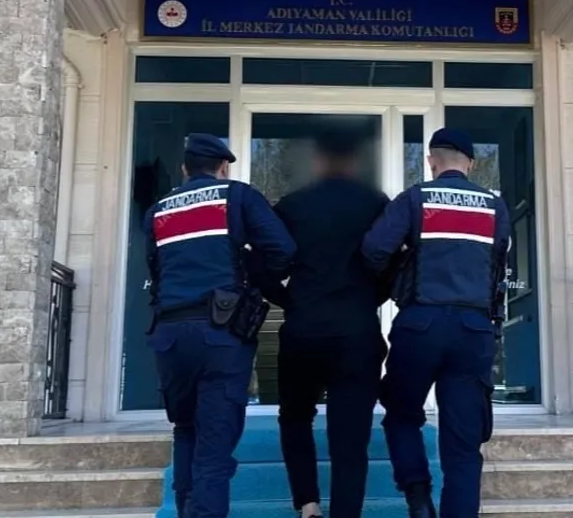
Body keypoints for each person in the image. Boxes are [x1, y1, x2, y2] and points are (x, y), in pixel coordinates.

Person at [362, 128, 512, 518]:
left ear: (431, 161)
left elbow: (374, 250)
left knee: (401, 413)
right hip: (473, 329)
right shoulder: (494, 206)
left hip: (421, 324)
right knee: (464, 444)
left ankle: (417, 496)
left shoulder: (416, 198)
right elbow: (498, 263)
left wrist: (399, 273)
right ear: (471, 164)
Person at [144, 134, 296, 518]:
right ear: (223, 168)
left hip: (170, 335)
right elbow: (283, 250)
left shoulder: (159, 209)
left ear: (184, 169)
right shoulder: (237, 197)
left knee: (186, 430)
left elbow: (156, 272)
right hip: (220, 333)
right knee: (214, 449)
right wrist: (254, 276)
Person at [271, 126, 392, 518]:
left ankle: (308, 506)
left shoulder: (292, 205)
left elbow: (260, 263)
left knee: (294, 417)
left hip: (303, 330)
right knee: (351, 436)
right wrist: (370, 298)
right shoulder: (376, 204)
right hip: (356, 332)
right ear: (354, 160)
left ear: (318, 160)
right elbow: (395, 261)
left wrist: (289, 300)